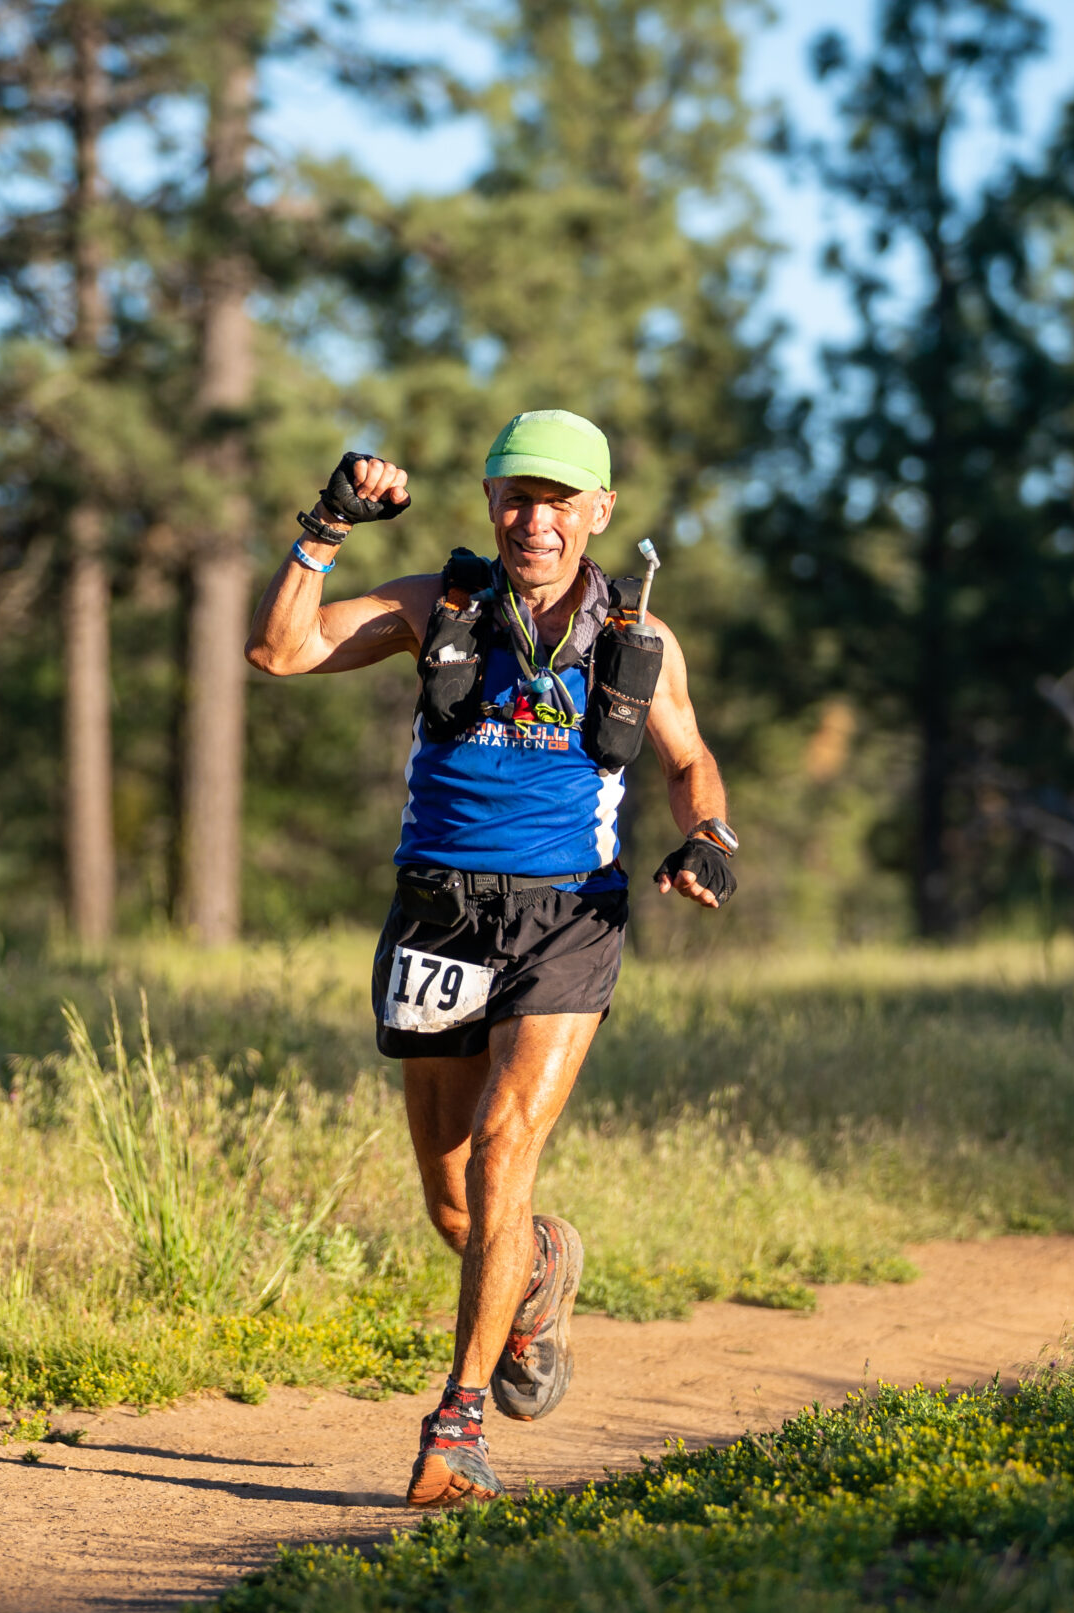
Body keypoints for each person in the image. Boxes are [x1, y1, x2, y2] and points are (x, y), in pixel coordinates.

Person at [246, 410, 738, 1508]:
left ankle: (457, 1425)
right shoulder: (438, 606)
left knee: (503, 1148)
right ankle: (541, 1262)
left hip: (569, 917)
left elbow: (690, 759)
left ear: (599, 514)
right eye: (518, 496)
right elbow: (280, 653)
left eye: (561, 501)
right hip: (437, 914)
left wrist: (708, 835)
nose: (537, 520)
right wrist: (326, 526)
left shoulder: (637, 641)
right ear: (489, 503)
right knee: (456, 1203)